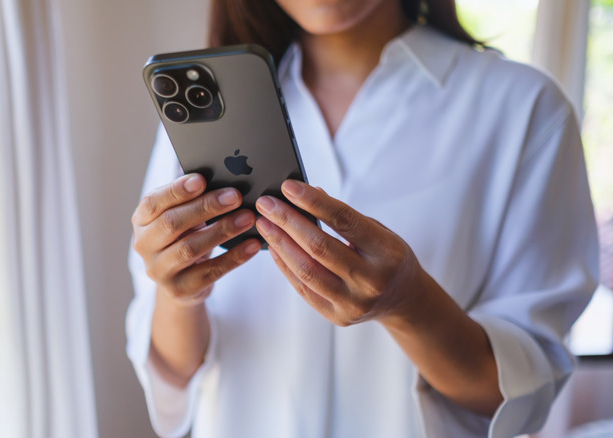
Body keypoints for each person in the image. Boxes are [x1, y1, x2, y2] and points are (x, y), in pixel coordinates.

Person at [127, 0, 600, 436]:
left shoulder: (525, 110)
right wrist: (179, 294)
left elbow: (523, 393)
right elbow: (172, 381)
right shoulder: (202, 125)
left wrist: (410, 305)